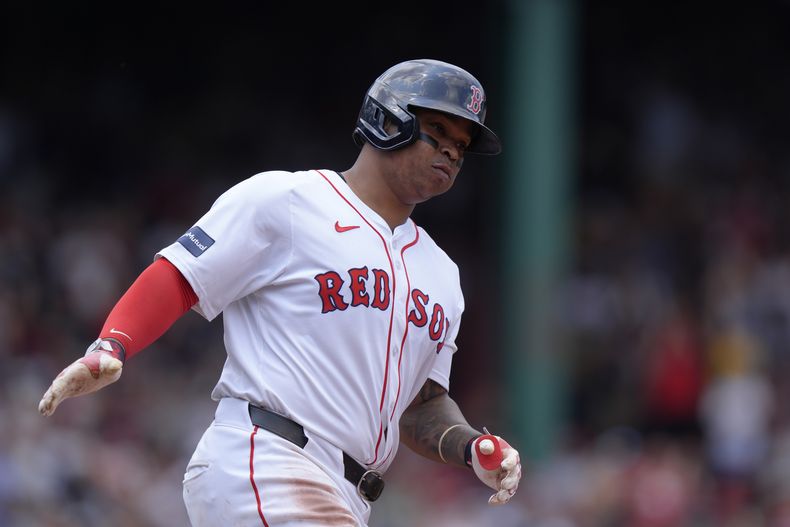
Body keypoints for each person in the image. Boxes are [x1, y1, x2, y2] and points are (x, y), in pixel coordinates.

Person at [38, 58, 522, 526]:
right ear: (387, 120)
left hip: (347, 493)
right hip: (266, 458)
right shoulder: (289, 201)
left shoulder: (442, 274)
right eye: (437, 132)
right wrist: (114, 342)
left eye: (461, 145)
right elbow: (182, 275)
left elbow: (420, 406)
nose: (451, 153)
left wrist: (467, 445)